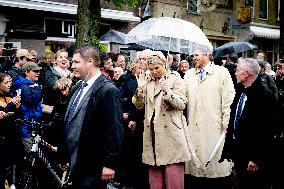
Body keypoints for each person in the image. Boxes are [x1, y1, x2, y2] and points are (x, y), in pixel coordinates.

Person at [59, 45, 124, 189]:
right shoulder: (77, 87)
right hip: (75, 162)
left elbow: (114, 129)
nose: (72, 65)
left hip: (94, 165)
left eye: (76, 62)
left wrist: (110, 164)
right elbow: (68, 121)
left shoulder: (108, 90)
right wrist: (64, 154)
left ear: (90, 62)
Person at [133, 51, 193, 189]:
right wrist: (140, 89)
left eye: (157, 68)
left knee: (173, 181)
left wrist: (168, 92)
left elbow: (182, 104)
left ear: (164, 65)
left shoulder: (174, 78)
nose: (154, 72)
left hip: (171, 134)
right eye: (151, 69)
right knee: (155, 183)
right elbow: (138, 105)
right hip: (152, 134)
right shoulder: (147, 81)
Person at [221, 58, 279, 189]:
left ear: (246, 73)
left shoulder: (265, 96)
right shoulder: (241, 90)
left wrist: (256, 158)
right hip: (239, 153)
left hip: (253, 158)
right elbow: (237, 116)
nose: (235, 73)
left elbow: (267, 130)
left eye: (237, 70)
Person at [184, 48, 235, 189]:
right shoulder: (189, 74)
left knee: (216, 168)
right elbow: (182, 97)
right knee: (196, 170)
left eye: (197, 55)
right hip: (194, 126)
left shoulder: (221, 73)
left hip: (215, 127)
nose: (194, 58)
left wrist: (226, 122)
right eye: (193, 55)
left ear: (207, 55)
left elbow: (228, 99)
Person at [0, 73, 23, 188]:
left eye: (10, 82)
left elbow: (18, 116)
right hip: (2, 138)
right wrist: (10, 106)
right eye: (6, 82)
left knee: (15, 163)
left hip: (13, 136)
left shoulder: (9, 95)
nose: (9, 85)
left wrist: (18, 107)